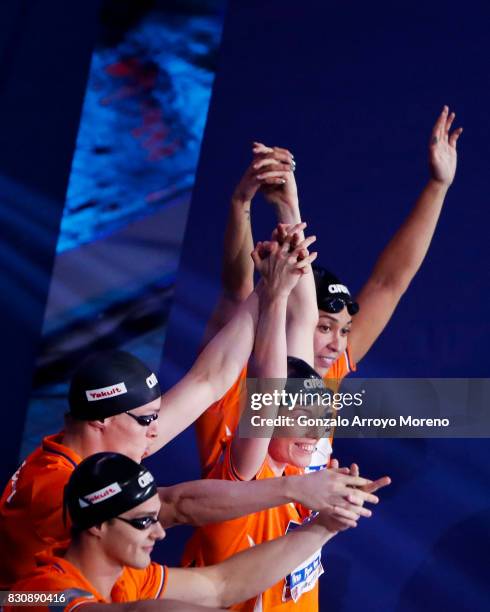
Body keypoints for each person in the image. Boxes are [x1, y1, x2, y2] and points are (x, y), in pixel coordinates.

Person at [0, 235, 373, 588]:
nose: (155, 429)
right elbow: (177, 505)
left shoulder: (103, 450)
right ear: (101, 420)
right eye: (146, 419)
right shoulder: (54, 487)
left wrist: (269, 286)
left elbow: (209, 380)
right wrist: (296, 488)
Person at [195, 105, 463, 473]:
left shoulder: (327, 375)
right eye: (323, 327)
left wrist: (438, 186)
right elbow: (235, 289)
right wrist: (242, 203)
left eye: (344, 331)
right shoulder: (235, 372)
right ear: (295, 319)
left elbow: (389, 284)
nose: (338, 345)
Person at [5, 452, 379, 612]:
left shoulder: (134, 578)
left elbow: (220, 587)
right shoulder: (36, 592)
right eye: (142, 522)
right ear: (98, 525)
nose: (159, 534)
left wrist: (324, 528)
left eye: (156, 517)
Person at [183, 357, 391, 611]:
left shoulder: (299, 474)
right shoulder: (244, 477)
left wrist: (330, 519)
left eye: (323, 418)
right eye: (303, 417)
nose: (316, 433)